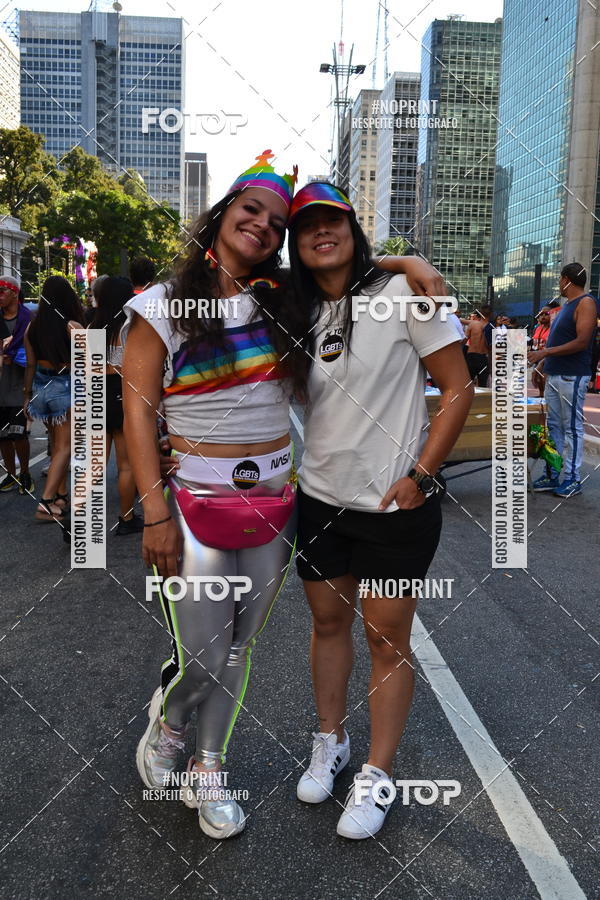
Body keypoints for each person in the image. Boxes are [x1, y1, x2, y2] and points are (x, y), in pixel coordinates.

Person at [126, 153, 449, 840]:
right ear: (222, 215)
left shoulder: (279, 301)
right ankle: (172, 722)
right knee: (208, 653)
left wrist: (406, 260)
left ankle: (213, 769)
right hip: (207, 504)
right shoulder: (166, 305)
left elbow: (353, 276)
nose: (265, 228)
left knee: (244, 648)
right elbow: (134, 410)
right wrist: (153, 511)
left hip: (280, 503)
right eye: (255, 212)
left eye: (279, 223)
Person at [287, 183, 473, 839]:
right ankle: (331, 741)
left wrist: (422, 475)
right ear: (295, 243)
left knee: (385, 639)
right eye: (307, 226)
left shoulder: (404, 295)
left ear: (353, 228)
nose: (322, 232)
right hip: (319, 502)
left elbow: (458, 388)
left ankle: (377, 772)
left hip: (395, 508)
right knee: (328, 624)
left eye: (333, 220)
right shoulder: (294, 307)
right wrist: (404, 255)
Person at [528, 263, 600, 497]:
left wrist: (545, 354)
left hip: (572, 375)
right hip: (556, 373)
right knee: (554, 427)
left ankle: (572, 479)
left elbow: (582, 341)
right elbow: (557, 341)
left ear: (566, 280)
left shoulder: (586, 303)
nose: (559, 284)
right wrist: (542, 364)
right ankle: (552, 474)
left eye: (560, 279)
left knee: (572, 428)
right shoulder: (566, 306)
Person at [23, 276, 84, 520]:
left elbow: (30, 364)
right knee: (65, 447)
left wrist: (27, 396)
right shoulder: (73, 327)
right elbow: (90, 362)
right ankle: (46, 502)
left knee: (57, 446)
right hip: (65, 388)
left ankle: (61, 496)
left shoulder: (32, 327)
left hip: (40, 388)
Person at [89, 275, 143, 534]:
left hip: (95, 395)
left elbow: (86, 369)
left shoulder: (92, 328)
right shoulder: (129, 328)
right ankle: (126, 518)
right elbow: (131, 369)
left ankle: (79, 518)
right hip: (121, 395)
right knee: (125, 464)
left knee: (94, 464)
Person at [0, 275, 34, 495]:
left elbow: (36, 351)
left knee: (19, 434)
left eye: (2, 291)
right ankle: (11, 474)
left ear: (14, 292)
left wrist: (16, 355)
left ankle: (25, 473)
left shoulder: (28, 318)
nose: (0, 296)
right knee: (2, 435)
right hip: (1, 386)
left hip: (20, 385)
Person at [464, 305, 491, 387]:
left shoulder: (472, 324)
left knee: (468, 384)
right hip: (483, 357)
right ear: (491, 314)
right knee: (483, 385)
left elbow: (463, 340)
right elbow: (491, 347)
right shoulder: (491, 327)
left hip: (471, 356)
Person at [531, 307, 551, 397]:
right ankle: (541, 395)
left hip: (548, 357)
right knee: (538, 379)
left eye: (546, 314)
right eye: (541, 314)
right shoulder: (537, 328)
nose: (543, 316)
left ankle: (547, 398)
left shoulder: (553, 328)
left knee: (544, 379)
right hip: (537, 357)